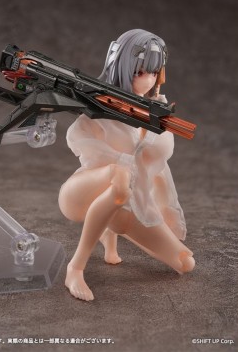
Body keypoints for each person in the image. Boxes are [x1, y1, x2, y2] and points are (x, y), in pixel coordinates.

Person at [58, 29, 195, 301]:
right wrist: (120, 162)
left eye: (153, 73)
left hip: (129, 202)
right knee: (120, 178)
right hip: (81, 194)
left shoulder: (156, 113)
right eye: (140, 72)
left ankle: (108, 230)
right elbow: (75, 137)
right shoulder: (101, 106)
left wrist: (166, 213)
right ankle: (75, 268)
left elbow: (158, 171)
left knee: (184, 262)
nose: (147, 79)